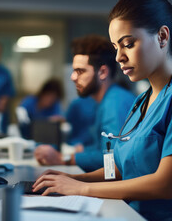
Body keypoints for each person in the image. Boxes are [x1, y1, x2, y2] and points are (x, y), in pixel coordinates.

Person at [32, 0, 172, 220]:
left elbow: (166, 184)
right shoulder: (142, 101)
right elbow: (116, 171)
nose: (118, 56)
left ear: (162, 37)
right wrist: (71, 179)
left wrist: (80, 189)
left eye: (128, 44)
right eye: (116, 47)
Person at [34, 35, 135, 172]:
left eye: (80, 71)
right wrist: (78, 153)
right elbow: (101, 147)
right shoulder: (107, 99)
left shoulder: (114, 103)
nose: (73, 77)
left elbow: (112, 158)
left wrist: (63, 158)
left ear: (103, 72)